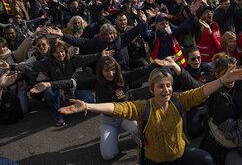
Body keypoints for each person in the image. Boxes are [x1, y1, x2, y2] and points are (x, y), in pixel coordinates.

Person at [57, 63, 242, 164]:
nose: (165, 90)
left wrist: (223, 80)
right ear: (151, 89)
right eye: (160, 87)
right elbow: (118, 108)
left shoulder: (179, 101)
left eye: (168, 86)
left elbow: (202, 91)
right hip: (155, 160)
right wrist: (88, 106)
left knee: (206, 160)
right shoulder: (143, 107)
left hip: (179, 155)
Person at [30, 56, 163, 160]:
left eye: (113, 69)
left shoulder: (124, 77)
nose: (111, 73)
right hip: (108, 120)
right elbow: (71, 82)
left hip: (126, 115)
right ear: (100, 71)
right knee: (108, 155)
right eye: (106, 70)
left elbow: (143, 70)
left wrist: (162, 62)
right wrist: (48, 84)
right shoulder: (96, 82)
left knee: (145, 137)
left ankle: (136, 134)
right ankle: (113, 138)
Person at [0, 41, 112, 126]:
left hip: (72, 86)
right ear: (52, 54)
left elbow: (86, 58)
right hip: (57, 87)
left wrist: (99, 55)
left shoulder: (72, 60)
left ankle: (68, 102)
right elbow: (30, 66)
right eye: (57, 52)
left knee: (91, 101)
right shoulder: (48, 63)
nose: (60, 54)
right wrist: (11, 66)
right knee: (49, 92)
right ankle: (58, 113)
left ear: (65, 52)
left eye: (62, 51)